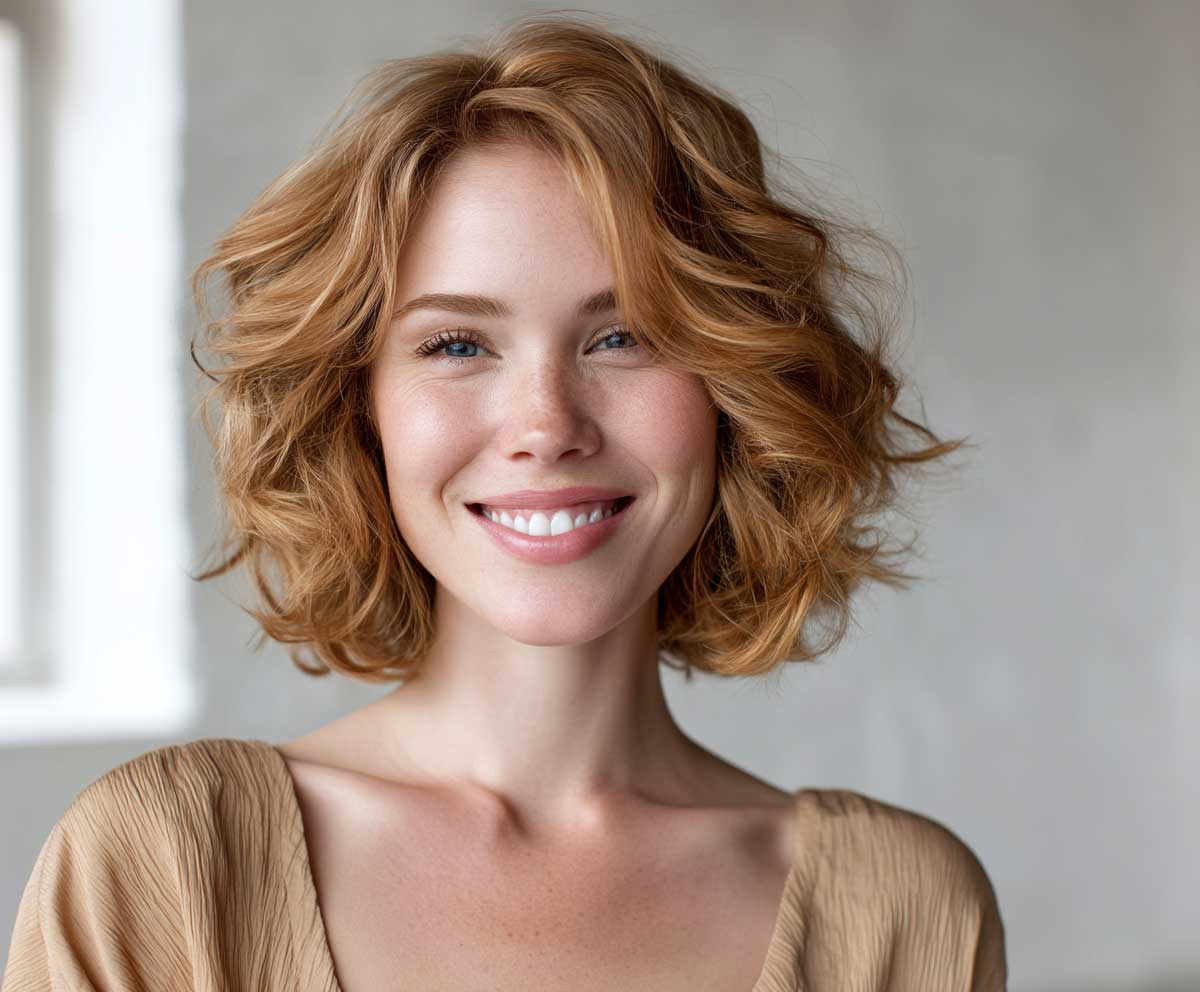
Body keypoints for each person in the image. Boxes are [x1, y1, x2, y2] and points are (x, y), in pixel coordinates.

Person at [3, 13, 1006, 991]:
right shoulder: (167, 860)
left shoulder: (903, 909)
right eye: (457, 344)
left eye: (624, 336)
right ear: (362, 410)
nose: (546, 423)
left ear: (735, 396)